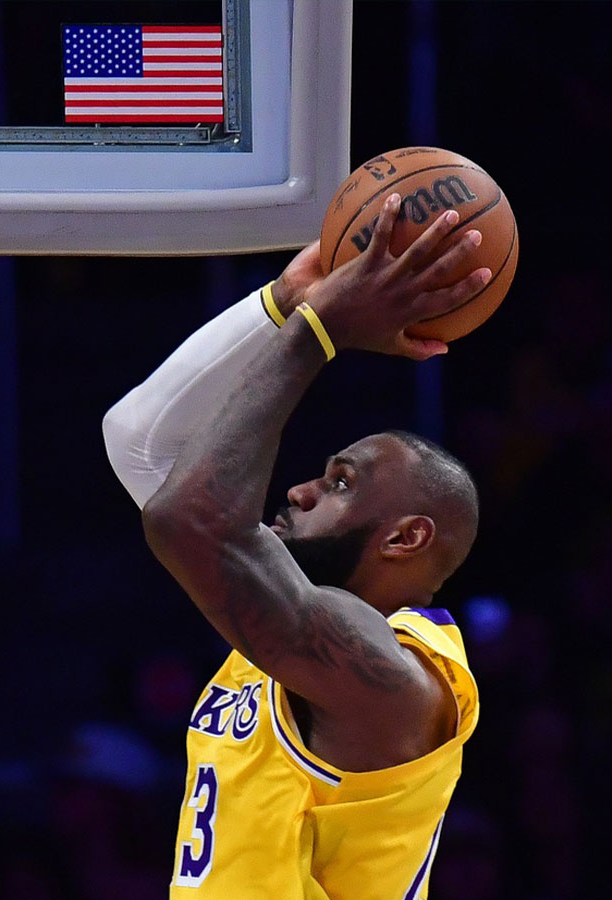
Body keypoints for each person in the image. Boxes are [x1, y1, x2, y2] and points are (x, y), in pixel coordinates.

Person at [102, 194, 488, 898]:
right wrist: (285, 303)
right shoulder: (282, 627)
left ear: (405, 537)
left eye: (340, 483)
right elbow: (139, 440)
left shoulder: (397, 685)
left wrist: (321, 331)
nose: (302, 490)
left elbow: (188, 521)